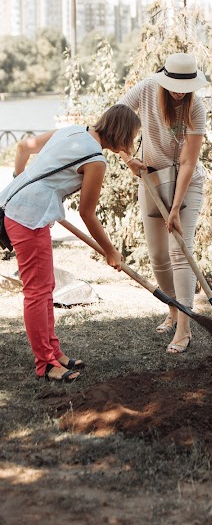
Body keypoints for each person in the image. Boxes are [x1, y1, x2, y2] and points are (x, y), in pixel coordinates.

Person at [1, 104, 141, 383]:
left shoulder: (74, 131)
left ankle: (54, 352)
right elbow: (87, 214)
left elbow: (23, 149)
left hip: (11, 203)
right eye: (132, 138)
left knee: (45, 287)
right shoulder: (95, 161)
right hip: (29, 217)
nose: (132, 144)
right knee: (37, 292)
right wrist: (111, 252)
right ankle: (46, 364)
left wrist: (21, 181)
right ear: (122, 134)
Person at [117, 52, 208, 354]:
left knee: (180, 251)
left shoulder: (197, 108)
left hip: (186, 182)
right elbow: (114, 118)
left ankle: (184, 326)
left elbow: (188, 161)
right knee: (158, 255)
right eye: (174, 85)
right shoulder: (145, 90)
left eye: (185, 86)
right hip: (152, 179)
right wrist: (127, 157)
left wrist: (176, 208)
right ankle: (172, 309)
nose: (179, 92)